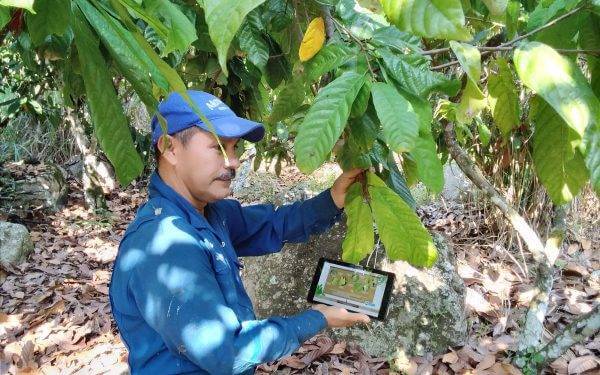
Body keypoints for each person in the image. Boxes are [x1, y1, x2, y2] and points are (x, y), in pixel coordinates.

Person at [109, 90, 370, 374]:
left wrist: (333, 198)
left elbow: (274, 224)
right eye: (218, 147)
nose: (232, 162)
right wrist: (317, 319)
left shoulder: (210, 213)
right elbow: (227, 352)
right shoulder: (166, 246)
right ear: (170, 148)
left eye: (234, 148)